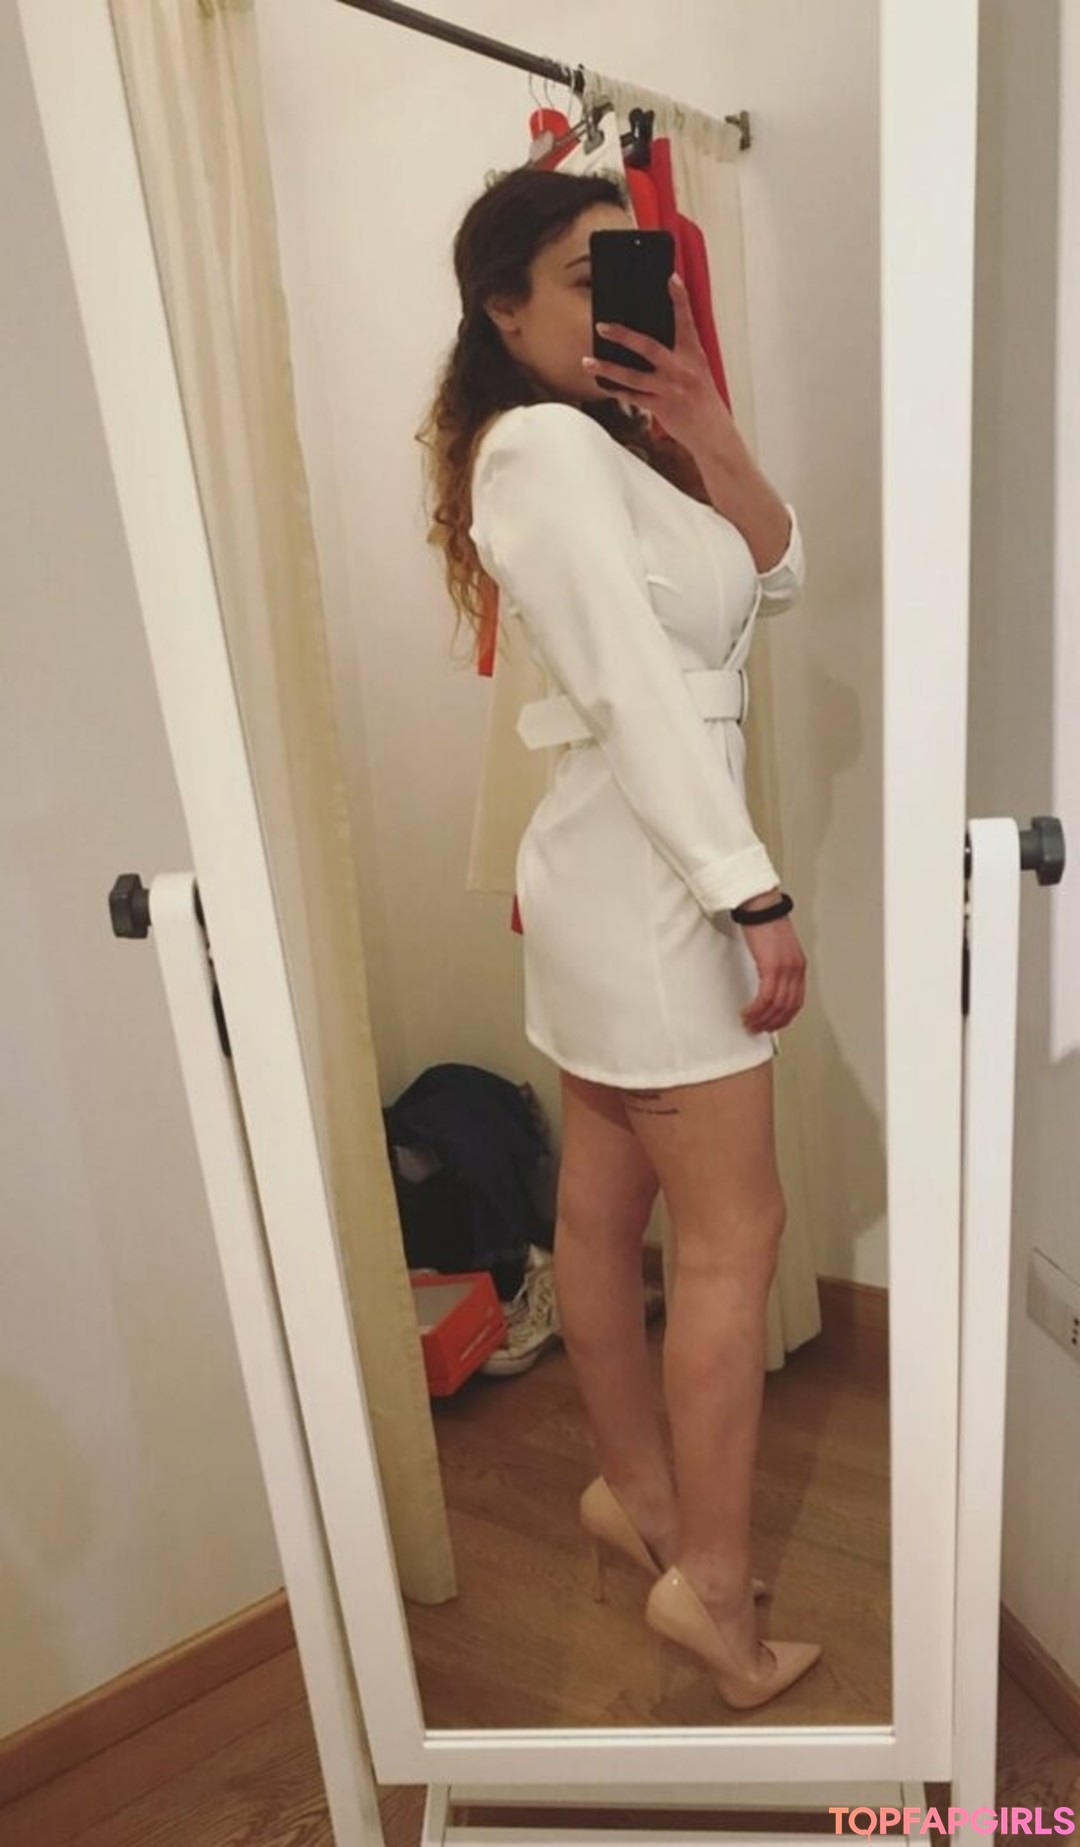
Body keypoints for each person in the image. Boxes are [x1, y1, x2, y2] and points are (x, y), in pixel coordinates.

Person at [417, 164, 821, 1713]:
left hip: (636, 867)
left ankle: (638, 1501)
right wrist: (749, 890)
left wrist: (705, 419)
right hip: (657, 881)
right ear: (503, 309)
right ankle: (708, 1592)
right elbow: (630, 690)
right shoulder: (534, 451)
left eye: (625, 276)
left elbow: (777, 572)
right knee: (733, 1237)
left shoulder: (619, 450)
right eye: (586, 282)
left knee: (600, 1212)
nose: (612, 307)